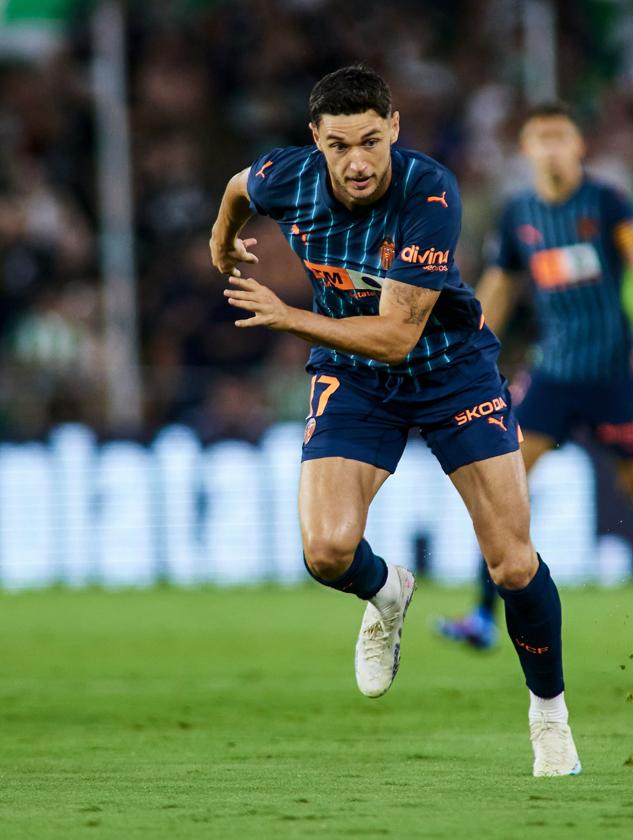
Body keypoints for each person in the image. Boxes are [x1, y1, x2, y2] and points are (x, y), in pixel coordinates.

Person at [207, 65, 579, 777]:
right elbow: (236, 189)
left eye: (371, 141)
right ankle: (387, 593)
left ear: (394, 129)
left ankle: (549, 716)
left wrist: (289, 317)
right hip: (356, 378)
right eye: (340, 144)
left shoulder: (429, 191)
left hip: (449, 370)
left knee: (512, 562)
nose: (357, 162)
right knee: (325, 552)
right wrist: (223, 240)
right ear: (315, 140)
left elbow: (398, 336)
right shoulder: (287, 177)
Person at [435, 102, 633, 655]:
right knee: (503, 484)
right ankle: (482, 617)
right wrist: (467, 345)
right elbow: (502, 287)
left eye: (562, 137)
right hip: (553, 373)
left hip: (612, 376)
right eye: (541, 138)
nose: (552, 147)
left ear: (581, 147)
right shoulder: (518, 214)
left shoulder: (606, 203)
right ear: (526, 150)